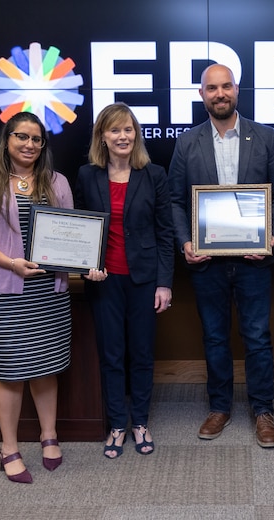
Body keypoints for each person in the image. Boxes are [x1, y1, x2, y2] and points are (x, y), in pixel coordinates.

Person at [169, 63, 274, 448]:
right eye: (211, 88)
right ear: (202, 94)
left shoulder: (264, 137)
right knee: (215, 337)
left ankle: (262, 410)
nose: (219, 94)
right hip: (206, 263)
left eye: (226, 87)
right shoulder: (188, 142)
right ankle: (220, 406)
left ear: (237, 90)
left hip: (254, 260)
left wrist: (271, 237)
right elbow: (175, 200)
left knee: (256, 336)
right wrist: (186, 241)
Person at [0, 111, 73, 484]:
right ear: (7, 140)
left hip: (47, 292)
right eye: (22, 137)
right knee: (10, 371)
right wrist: (10, 263)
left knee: (46, 365)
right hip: (3, 291)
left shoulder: (56, 181)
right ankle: (9, 446)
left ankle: (48, 435)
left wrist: (87, 265)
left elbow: (73, 235)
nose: (29, 145)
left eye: (37, 139)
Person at [75, 102, 174, 459]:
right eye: (115, 130)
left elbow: (165, 232)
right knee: (112, 355)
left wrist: (165, 283)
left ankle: (140, 423)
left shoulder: (154, 174)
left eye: (128, 129)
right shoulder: (87, 175)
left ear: (136, 134)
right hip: (104, 280)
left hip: (144, 279)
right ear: (102, 135)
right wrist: (87, 264)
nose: (122, 136)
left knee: (143, 354)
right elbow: (81, 228)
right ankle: (118, 423)